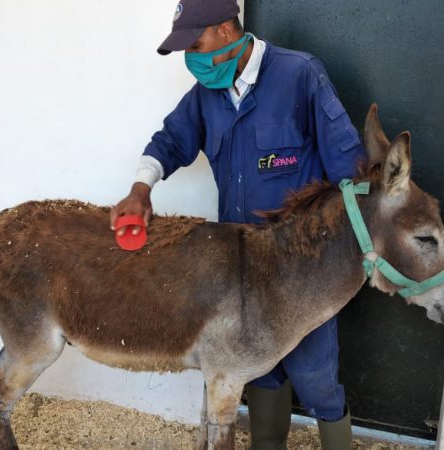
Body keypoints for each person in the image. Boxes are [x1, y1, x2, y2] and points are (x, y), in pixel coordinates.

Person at [110, 1, 365, 448]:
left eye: (195, 42)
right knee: (258, 369)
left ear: (226, 31)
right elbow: (170, 141)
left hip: (302, 270)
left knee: (315, 375)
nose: (191, 56)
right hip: (241, 269)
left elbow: (350, 169)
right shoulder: (207, 95)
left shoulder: (300, 76)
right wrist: (140, 187)